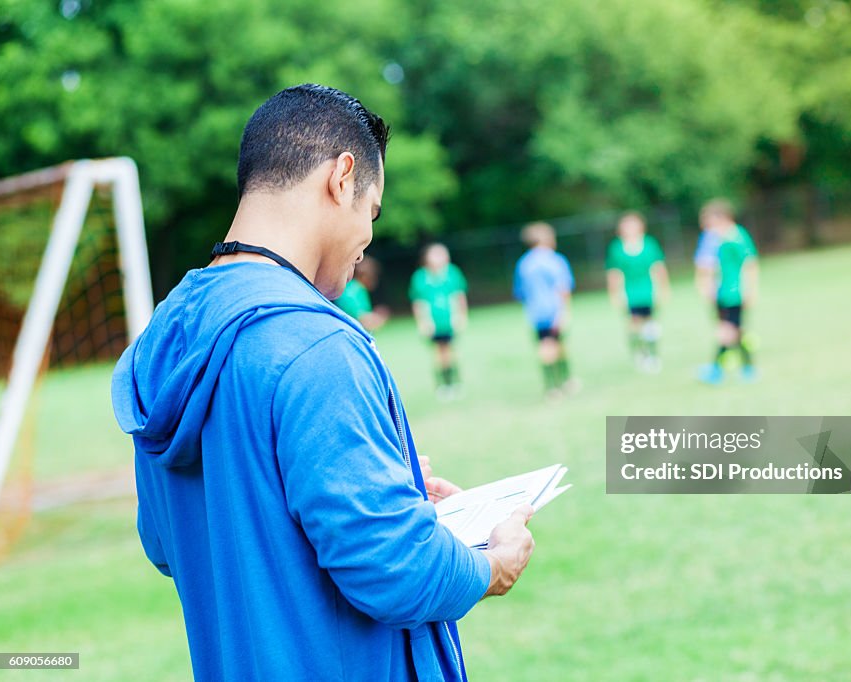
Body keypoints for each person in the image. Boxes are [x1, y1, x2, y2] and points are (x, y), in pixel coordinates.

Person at [111, 84, 534, 682]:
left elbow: (167, 539)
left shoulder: (168, 333)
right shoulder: (316, 345)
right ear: (342, 177)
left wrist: (383, 488)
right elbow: (396, 567)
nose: (367, 238)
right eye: (373, 211)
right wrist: (491, 563)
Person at [693, 198, 759, 384]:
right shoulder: (716, 238)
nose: (706, 225)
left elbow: (750, 264)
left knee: (728, 330)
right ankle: (746, 368)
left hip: (734, 292)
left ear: (722, 217)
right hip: (721, 293)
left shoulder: (736, 237)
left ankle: (718, 369)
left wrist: (750, 290)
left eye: (709, 220)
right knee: (734, 330)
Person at [513, 222, 578, 397]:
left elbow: (520, 293)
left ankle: (552, 387)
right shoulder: (555, 260)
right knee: (559, 346)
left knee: (544, 347)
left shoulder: (523, 264)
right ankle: (565, 381)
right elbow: (563, 288)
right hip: (554, 311)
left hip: (535, 314)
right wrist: (564, 312)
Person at [605, 211, 670, 373]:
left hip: (648, 291)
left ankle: (653, 355)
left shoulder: (649, 244)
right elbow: (614, 273)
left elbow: (658, 268)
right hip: (629, 293)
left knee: (650, 325)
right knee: (633, 326)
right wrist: (614, 294)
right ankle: (640, 353)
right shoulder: (617, 248)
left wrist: (663, 289)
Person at [409, 243, 468, 400]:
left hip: (449, 320)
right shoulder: (420, 277)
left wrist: (461, 316)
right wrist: (423, 322)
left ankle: (455, 382)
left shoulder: (452, 273)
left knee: (451, 352)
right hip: (433, 322)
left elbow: (459, 296)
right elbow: (419, 302)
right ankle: (443, 385)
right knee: (438, 354)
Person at [334, 255, 389, 331]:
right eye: (374, 276)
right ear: (364, 275)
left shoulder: (354, 288)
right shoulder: (354, 291)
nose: (376, 280)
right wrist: (378, 317)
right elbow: (362, 319)